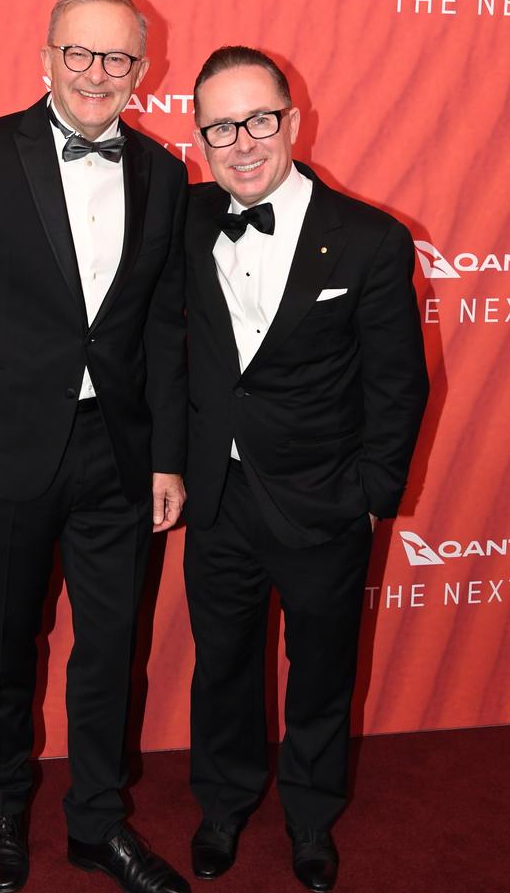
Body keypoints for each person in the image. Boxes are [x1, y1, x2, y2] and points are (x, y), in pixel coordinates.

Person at [0, 0, 190, 893]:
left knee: (110, 650)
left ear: (143, 72)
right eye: (79, 53)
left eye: (116, 59)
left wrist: (165, 456)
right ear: (45, 57)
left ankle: (95, 825)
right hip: (4, 457)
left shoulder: (163, 173)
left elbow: (159, 328)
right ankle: (4, 807)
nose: (95, 75)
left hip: (115, 453)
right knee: (7, 647)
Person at [183, 46, 429, 892]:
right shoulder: (182, 223)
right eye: (221, 126)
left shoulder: (368, 239)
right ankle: (222, 803)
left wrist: (371, 500)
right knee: (221, 664)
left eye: (258, 119)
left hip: (325, 501)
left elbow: (399, 386)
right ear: (200, 139)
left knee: (322, 670)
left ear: (293, 121)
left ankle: (312, 817)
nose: (242, 142)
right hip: (218, 495)